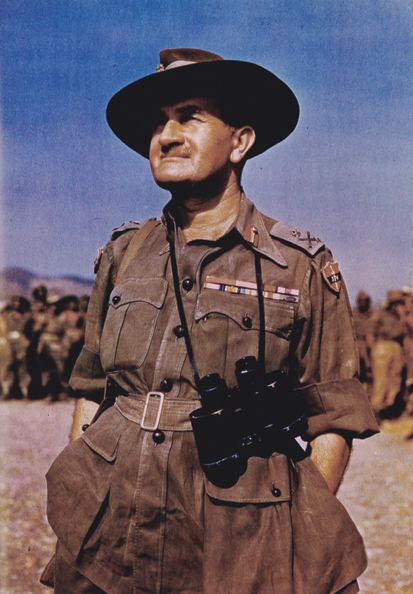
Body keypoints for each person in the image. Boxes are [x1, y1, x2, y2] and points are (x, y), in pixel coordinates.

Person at [45, 48, 379, 594]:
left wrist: (294, 534)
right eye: (158, 122)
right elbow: (92, 391)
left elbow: (332, 414)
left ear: (240, 142)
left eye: (189, 117)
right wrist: (80, 494)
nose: (166, 136)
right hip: (113, 531)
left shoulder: (298, 265)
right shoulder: (124, 255)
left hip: (239, 539)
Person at [370, 289, 406, 419]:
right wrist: (373, 350)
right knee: (380, 380)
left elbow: (404, 331)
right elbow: (370, 333)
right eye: (395, 302)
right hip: (382, 345)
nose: (397, 305)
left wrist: (401, 315)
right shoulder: (380, 314)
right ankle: (376, 411)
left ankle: (389, 409)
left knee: (395, 379)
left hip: (396, 346)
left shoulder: (401, 316)